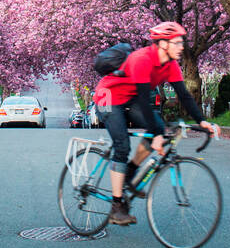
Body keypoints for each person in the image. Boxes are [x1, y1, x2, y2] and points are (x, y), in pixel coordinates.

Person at [91, 21, 217, 226]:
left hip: (129, 97)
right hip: (107, 95)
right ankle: (116, 207)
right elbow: (144, 99)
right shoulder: (142, 59)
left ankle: (130, 172)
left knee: (159, 131)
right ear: (163, 44)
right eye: (177, 42)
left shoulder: (170, 65)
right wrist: (156, 133)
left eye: (181, 42)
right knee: (122, 145)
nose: (182, 46)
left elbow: (184, 95)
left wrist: (202, 121)